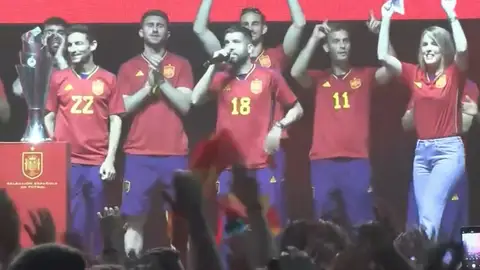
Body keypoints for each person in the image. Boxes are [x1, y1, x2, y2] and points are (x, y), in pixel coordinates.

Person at [191, 25, 303, 268]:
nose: (229, 46)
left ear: (250, 48)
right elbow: (195, 99)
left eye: (236, 42)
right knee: (232, 232)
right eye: (227, 41)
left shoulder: (269, 76)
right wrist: (213, 63)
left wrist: (278, 126)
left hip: (262, 165)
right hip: (229, 169)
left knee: (269, 227)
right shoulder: (220, 78)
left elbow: (297, 108)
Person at [289, 14, 394, 225]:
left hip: (357, 160)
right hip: (323, 161)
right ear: (327, 47)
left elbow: (392, 69)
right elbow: (295, 72)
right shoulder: (320, 78)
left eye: (345, 41)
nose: (342, 45)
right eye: (336, 41)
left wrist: (381, 34)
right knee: (323, 225)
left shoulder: (364, 75)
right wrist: (314, 38)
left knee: (362, 224)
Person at [378, 0, 469, 239]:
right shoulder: (414, 73)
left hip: (448, 152)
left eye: (434, 44)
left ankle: (424, 261)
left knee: (430, 215)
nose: (428, 48)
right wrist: (386, 17)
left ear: (443, 49)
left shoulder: (453, 73)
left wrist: (451, 14)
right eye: (425, 44)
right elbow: (382, 56)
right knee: (423, 216)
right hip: (421, 153)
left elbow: (462, 48)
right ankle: (427, 259)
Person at [117, 10, 194, 258]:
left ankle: (180, 265)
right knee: (134, 219)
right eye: (149, 25)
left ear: (167, 33)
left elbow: (185, 105)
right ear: (141, 32)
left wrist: (162, 83)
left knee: (178, 220)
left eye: (160, 25)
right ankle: (131, 265)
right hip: (138, 154)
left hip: (174, 152)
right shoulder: (129, 67)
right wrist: (148, 88)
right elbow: (124, 108)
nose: (154, 29)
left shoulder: (181, 64)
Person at [44, 24, 124, 255]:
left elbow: (116, 120)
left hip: (97, 162)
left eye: (78, 43)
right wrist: (54, 144)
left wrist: (110, 159)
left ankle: (99, 264)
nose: (73, 49)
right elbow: (49, 116)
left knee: (98, 222)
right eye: (70, 45)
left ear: (93, 45)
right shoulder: (59, 78)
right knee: (73, 222)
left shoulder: (108, 79)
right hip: (69, 163)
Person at [405, 79, 478, 241]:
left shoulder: (467, 86)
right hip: (424, 165)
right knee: (418, 226)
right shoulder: (422, 84)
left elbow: (465, 125)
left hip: (454, 164)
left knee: (457, 227)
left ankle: (470, 263)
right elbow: (406, 123)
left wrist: (433, 114)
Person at [13, 16, 69, 97]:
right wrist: (40, 55)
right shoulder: (36, 60)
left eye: (60, 33)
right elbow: (18, 90)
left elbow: (77, 90)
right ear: (43, 37)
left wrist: (60, 58)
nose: (55, 36)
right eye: (50, 32)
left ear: (66, 37)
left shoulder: (76, 59)